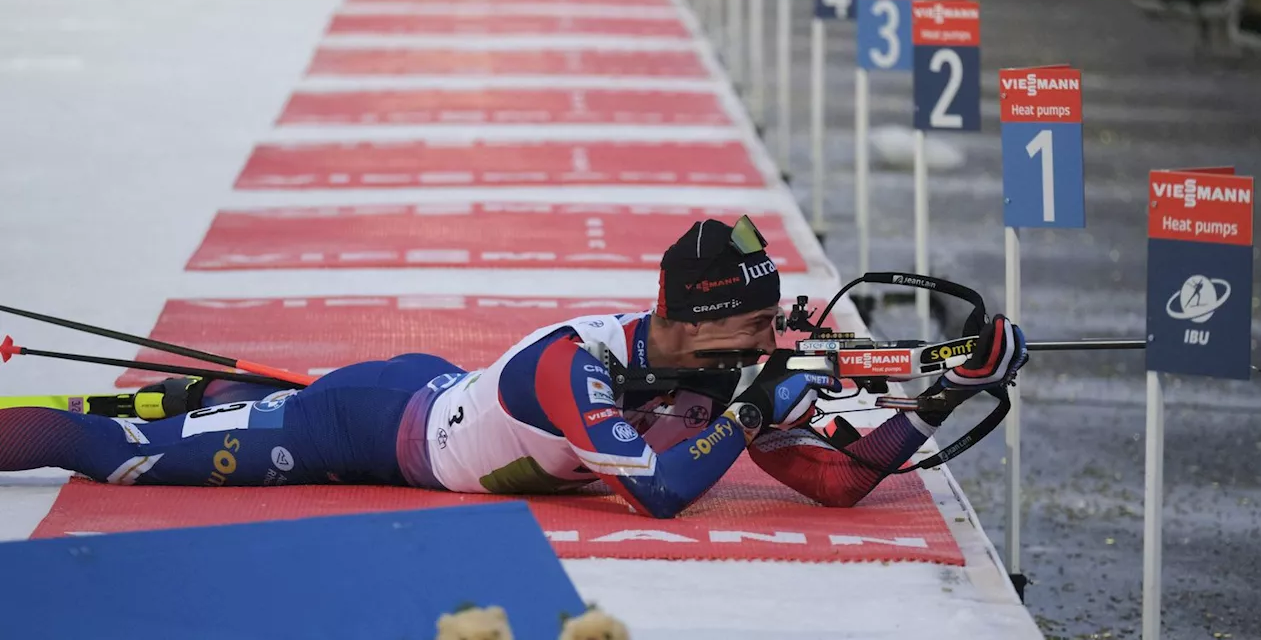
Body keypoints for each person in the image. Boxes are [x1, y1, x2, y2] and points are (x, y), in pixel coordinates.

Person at [0, 216, 1028, 518]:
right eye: (757, 323)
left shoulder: (733, 369)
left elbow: (840, 480)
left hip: (437, 390)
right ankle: (212, 408)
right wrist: (756, 400)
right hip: (363, 428)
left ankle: (224, 398)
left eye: (776, 319)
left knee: (222, 406)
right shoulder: (569, 364)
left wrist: (953, 381)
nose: (776, 336)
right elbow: (664, 491)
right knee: (111, 448)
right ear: (696, 320)